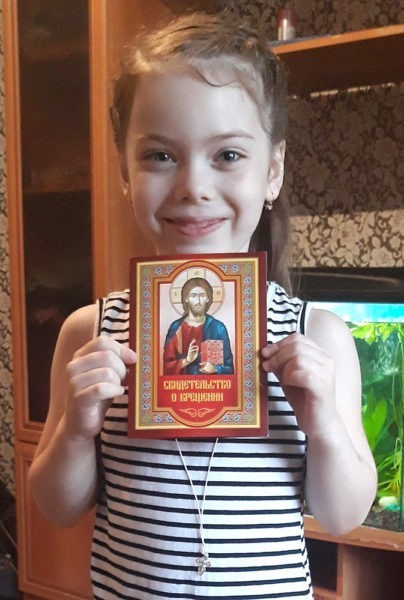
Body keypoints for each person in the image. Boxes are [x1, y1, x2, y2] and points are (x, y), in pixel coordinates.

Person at [28, 12, 377, 599]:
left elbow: (343, 515)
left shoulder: (318, 335)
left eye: (228, 155)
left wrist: (323, 426)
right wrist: (76, 430)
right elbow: (57, 506)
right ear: (123, 172)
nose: (193, 185)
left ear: (272, 171)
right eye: (159, 156)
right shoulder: (92, 331)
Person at [163, 276, 234, 374]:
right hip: (182, 383)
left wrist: (216, 369)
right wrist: (187, 360)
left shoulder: (218, 328)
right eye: (193, 296)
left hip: (211, 383)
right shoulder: (176, 327)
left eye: (202, 295)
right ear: (186, 298)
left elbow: (229, 369)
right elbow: (167, 367)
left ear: (208, 298)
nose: (198, 301)